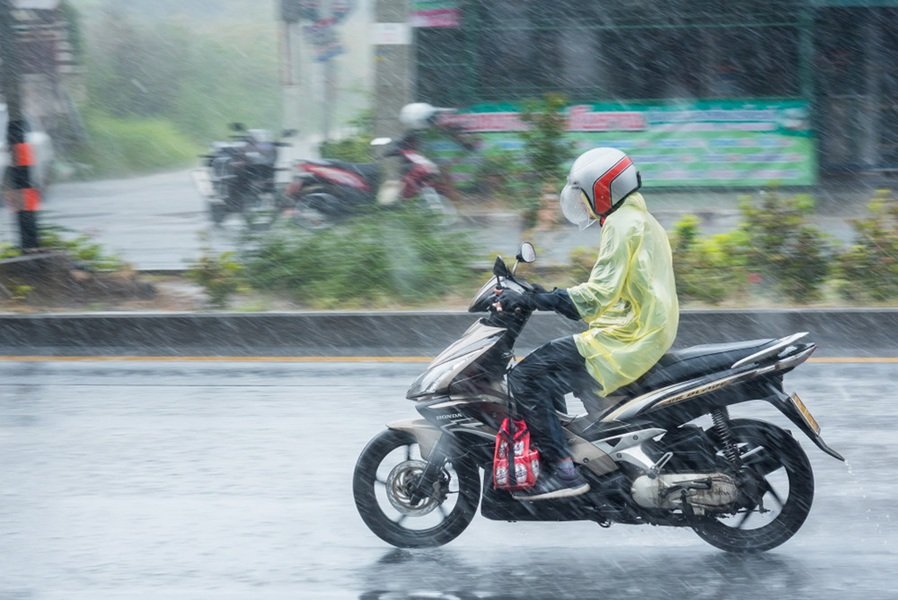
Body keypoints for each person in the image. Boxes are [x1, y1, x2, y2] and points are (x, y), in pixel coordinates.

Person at [493, 147, 679, 501]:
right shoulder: (637, 219)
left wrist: (537, 299)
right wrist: (542, 295)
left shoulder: (622, 226)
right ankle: (567, 452)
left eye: (585, 193)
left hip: (631, 336)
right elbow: (614, 292)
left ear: (604, 189)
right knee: (546, 373)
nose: (581, 202)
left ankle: (563, 470)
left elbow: (598, 296)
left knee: (525, 377)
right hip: (639, 327)